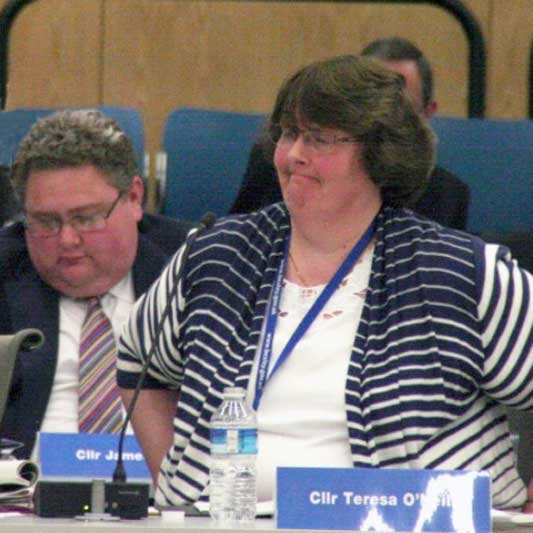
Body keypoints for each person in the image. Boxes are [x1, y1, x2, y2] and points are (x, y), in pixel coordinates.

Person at [117, 55, 533, 511]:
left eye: (318, 138)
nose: (294, 154)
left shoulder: (456, 272)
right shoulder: (217, 256)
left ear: (379, 152)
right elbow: (139, 361)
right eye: (288, 134)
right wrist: (182, 488)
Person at [0, 109, 192, 458]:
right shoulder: (5, 270)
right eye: (45, 222)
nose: (67, 239)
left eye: (86, 218)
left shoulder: (194, 268)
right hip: (25, 486)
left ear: (134, 198)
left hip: (165, 484)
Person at [230, 37, 470, 230]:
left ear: (425, 114)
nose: (295, 154)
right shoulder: (273, 164)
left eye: (397, 108)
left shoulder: (445, 196)